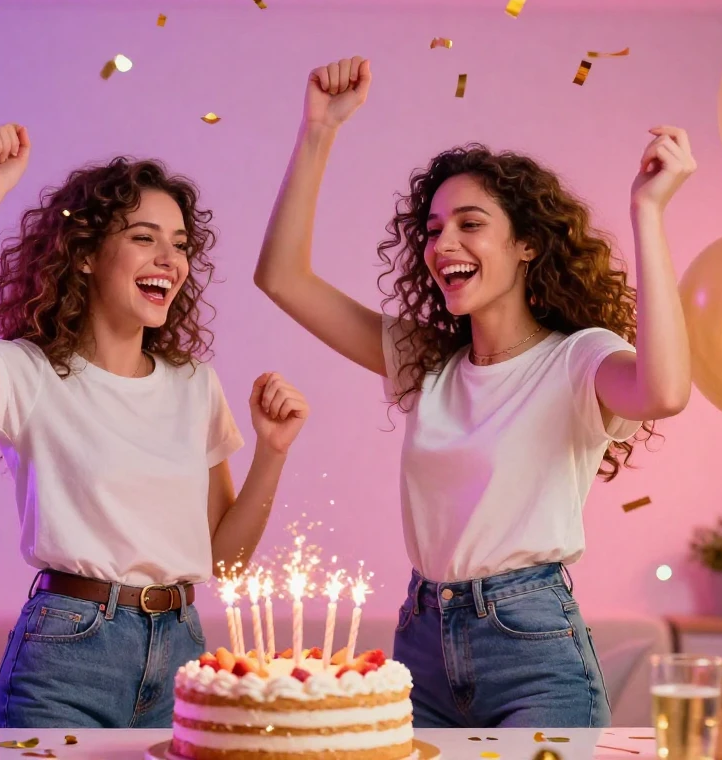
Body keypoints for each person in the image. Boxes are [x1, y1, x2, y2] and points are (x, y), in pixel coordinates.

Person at [254, 58, 694, 728]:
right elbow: (282, 277)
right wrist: (318, 132)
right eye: (432, 230)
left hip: (532, 646)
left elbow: (663, 392)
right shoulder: (429, 363)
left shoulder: (579, 359)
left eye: (469, 224)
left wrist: (648, 212)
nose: (443, 244)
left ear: (524, 245)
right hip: (423, 642)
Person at [0, 123, 310, 728]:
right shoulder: (29, 374)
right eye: (143, 237)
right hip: (68, 656)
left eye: (180, 244)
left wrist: (273, 451)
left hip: (184, 654)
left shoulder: (193, 385)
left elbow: (226, 562)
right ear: (83, 256)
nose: (170, 259)